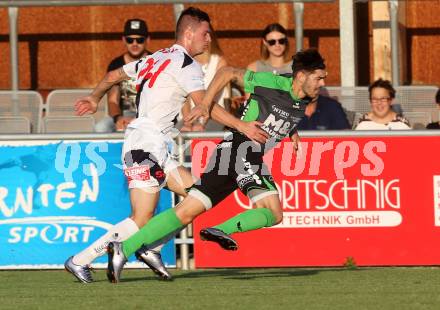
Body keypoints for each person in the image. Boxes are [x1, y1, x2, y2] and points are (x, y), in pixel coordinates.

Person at [65, 7, 267, 284]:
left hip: (157, 145)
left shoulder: (157, 56)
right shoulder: (186, 65)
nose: (209, 39)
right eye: (205, 33)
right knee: (141, 217)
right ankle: (80, 260)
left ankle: (152, 249)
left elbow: (114, 75)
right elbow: (204, 105)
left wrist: (94, 97)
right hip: (144, 145)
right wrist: (242, 126)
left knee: (197, 197)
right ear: (189, 33)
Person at [106, 48, 327, 283]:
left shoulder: (303, 96)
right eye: (319, 77)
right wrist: (205, 103)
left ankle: (124, 248)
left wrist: (291, 132)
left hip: (229, 154)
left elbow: (281, 111)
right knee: (273, 212)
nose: (322, 83)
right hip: (243, 149)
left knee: (186, 212)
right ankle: (221, 230)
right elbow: (227, 72)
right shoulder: (270, 82)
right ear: (301, 76)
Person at [95, 19, 152, 133]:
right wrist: (118, 118)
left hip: (150, 114)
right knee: (101, 127)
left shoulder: (156, 62)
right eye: (130, 40)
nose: (134, 44)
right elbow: (113, 101)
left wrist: (141, 119)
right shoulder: (116, 65)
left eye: (139, 40)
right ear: (123, 40)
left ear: (148, 40)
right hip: (124, 114)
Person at [180, 22, 230, 132]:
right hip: (187, 115)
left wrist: (201, 121)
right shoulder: (185, 61)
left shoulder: (219, 62)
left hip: (213, 114)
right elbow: (184, 96)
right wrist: (188, 122)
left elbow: (213, 95)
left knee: (202, 134)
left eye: (206, 34)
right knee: (179, 133)